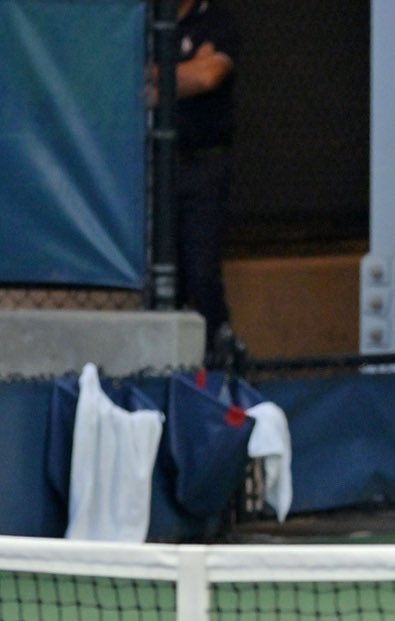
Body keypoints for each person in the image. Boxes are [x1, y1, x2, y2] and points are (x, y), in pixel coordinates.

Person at [151, 0, 243, 367]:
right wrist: (188, 70)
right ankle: (165, 368)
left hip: (204, 165)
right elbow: (129, 80)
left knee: (202, 272)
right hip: (157, 172)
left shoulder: (218, 21)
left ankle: (221, 361)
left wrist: (159, 79)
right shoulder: (147, 25)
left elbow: (209, 76)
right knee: (161, 278)